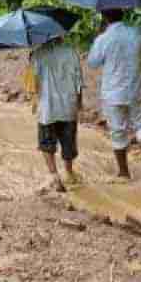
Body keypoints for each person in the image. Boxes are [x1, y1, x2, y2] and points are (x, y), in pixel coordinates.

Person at [86, 8, 141, 189]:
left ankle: (124, 172)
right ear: (123, 14)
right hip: (134, 88)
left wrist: (99, 39)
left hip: (113, 92)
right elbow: (140, 51)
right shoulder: (135, 33)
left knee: (118, 131)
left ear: (104, 17)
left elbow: (92, 62)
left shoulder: (103, 39)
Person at [30, 36, 83, 193]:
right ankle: (69, 172)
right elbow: (79, 81)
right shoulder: (71, 53)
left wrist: (34, 102)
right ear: (60, 35)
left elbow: (32, 84)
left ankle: (54, 176)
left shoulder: (37, 55)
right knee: (69, 142)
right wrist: (79, 103)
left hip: (47, 107)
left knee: (46, 142)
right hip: (68, 105)